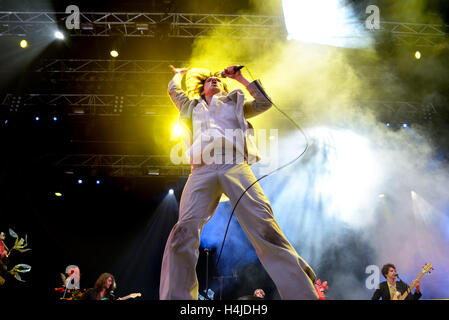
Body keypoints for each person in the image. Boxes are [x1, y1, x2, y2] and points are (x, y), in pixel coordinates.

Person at [159, 64, 319, 300]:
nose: (214, 80)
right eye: (209, 80)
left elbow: (264, 103)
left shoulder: (235, 103)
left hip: (234, 164)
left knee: (264, 225)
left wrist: (241, 79)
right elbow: (174, 91)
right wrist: (177, 76)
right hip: (202, 169)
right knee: (184, 230)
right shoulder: (192, 107)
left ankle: (302, 294)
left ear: (223, 86)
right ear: (202, 88)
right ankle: (178, 299)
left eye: (217, 79)